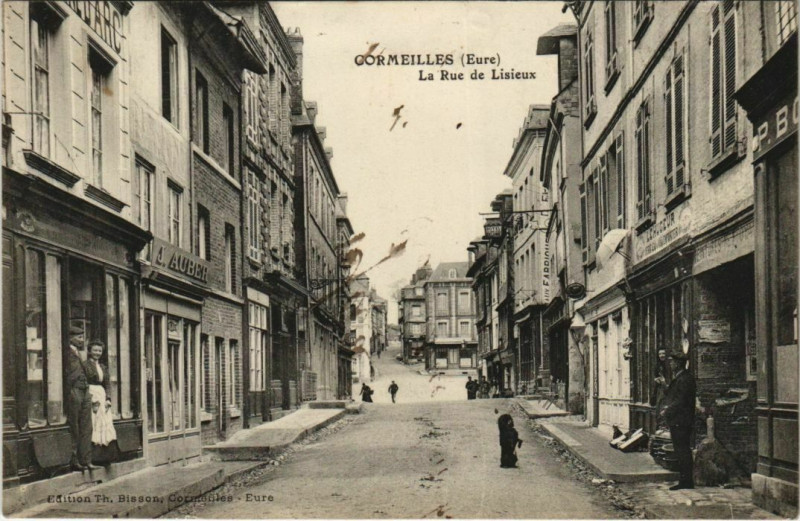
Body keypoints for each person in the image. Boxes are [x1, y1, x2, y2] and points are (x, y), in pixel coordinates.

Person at [660, 350, 696, 490]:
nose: (671, 364)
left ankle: (686, 481)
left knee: (683, 451)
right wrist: (664, 384)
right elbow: (672, 395)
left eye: (673, 362)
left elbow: (680, 401)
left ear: (678, 364)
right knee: (681, 450)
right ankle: (685, 480)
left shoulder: (685, 379)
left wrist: (667, 410)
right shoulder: (680, 377)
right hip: (679, 419)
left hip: (682, 420)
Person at [66, 327, 98, 471]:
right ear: (70, 337)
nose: (81, 340)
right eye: (79, 337)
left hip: (85, 390)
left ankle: (87, 460)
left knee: (87, 426)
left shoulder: (81, 353)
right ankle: (75, 460)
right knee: (75, 426)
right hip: (74, 390)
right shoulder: (66, 352)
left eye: (82, 337)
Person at [84, 340, 117, 449]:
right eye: (95, 350)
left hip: (101, 395)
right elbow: (84, 382)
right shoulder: (85, 365)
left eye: (99, 351)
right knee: (93, 421)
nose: (97, 353)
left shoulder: (103, 366)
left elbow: (107, 383)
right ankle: (92, 450)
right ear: (89, 351)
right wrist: (91, 399)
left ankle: (102, 452)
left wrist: (108, 399)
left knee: (104, 420)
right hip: (91, 394)